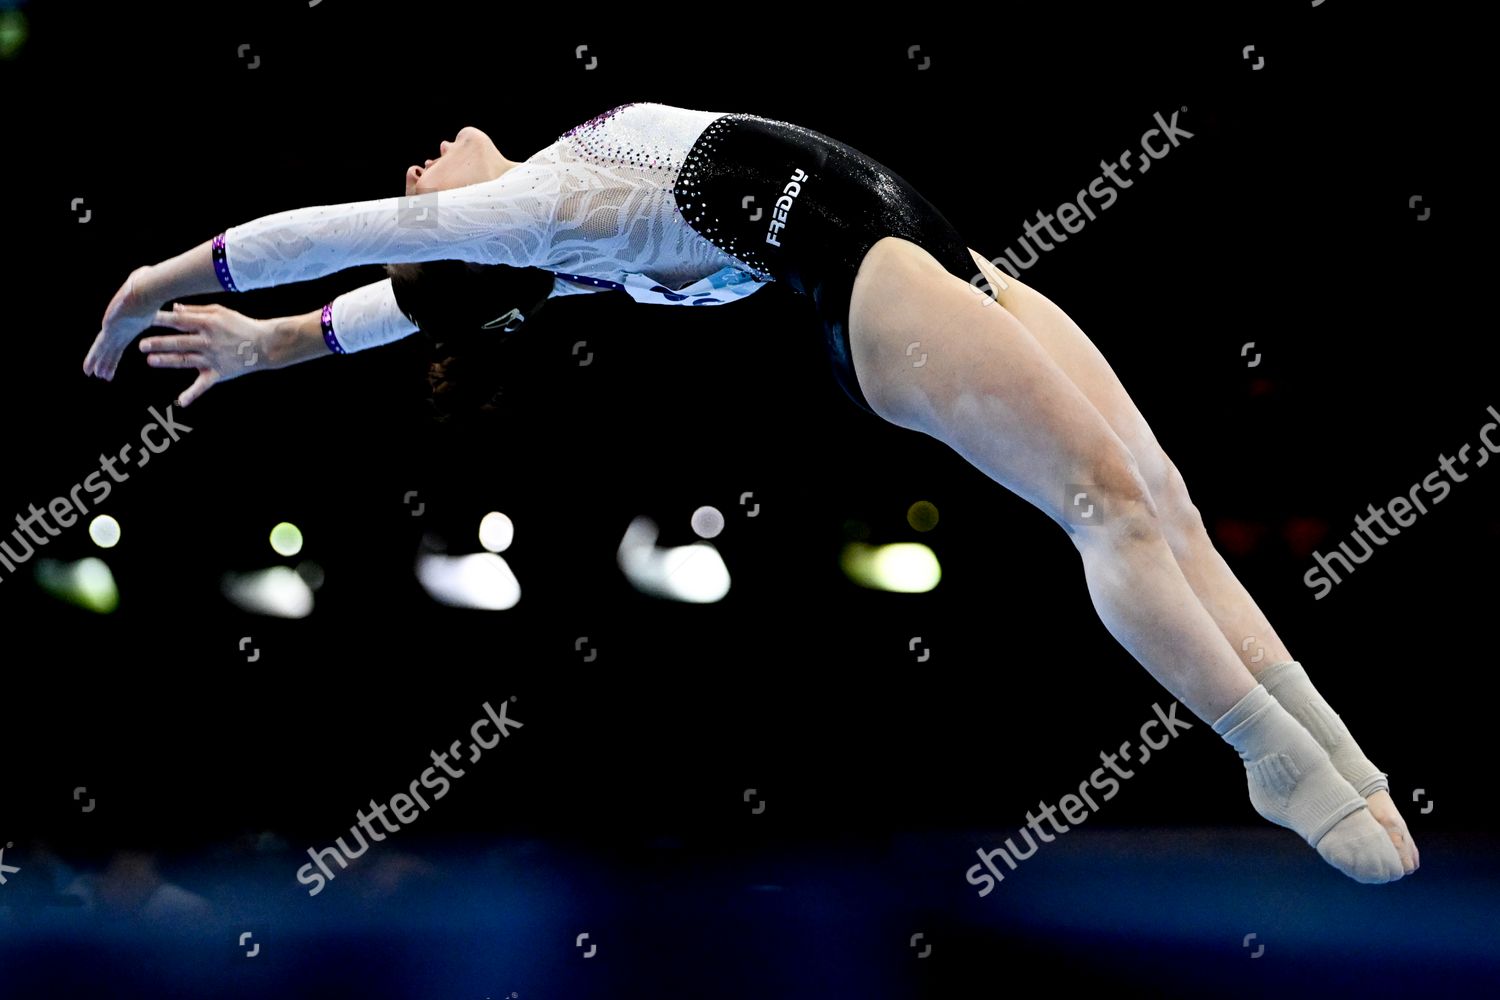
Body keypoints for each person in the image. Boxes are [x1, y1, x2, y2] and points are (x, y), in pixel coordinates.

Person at [81, 102, 1417, 882]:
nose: (425, 158)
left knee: (1164, 495)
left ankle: (1336, 757)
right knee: (1104, 507)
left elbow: (381, 305)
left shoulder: (550, 257)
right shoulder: (521, 216)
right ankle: (1269, 757)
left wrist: (275, 346)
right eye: (425, 176)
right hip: (872, 288)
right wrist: (163, 279)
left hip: (943, 255)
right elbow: (357, 243)